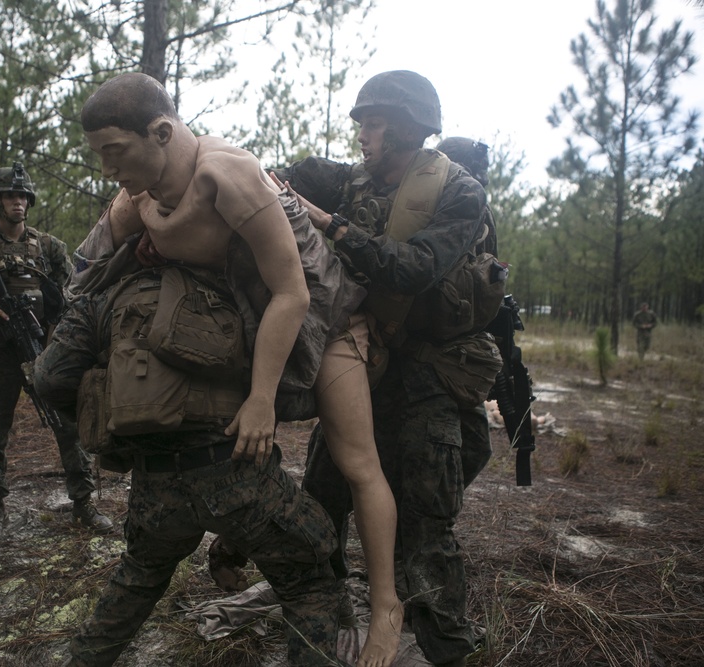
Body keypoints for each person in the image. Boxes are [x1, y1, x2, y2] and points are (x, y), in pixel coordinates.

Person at [34, 72, 350, 667]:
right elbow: (84, 274)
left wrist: (261, 399)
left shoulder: (227, 175)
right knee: (310, 573)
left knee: (141, 575)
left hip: (203, 445)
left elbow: (293, 294)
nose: (106, 168)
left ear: (160, 131)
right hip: (210, 463)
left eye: (115, 152)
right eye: (98, 154)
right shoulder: (134, 200)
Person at [278, 71, 495, 667]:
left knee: (426, 530)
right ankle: (320, 635)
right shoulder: (346, 181)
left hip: (428, 374)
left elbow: (415, 269)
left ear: (405, 128)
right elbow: (264, 178)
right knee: (320, 503)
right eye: (361, 122)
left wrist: (331, 225)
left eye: (372, 122)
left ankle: (449, 651)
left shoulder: (459, 192)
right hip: (361, 365)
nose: (361, 133)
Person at [0, 163, 113, 545]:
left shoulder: (48, 247)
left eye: (23, 196)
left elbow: (77, 291)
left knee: (68, 425)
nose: (18, 202)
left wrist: (59, 317)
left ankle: (83, 503)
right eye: (10, 196)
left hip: (41, 349)